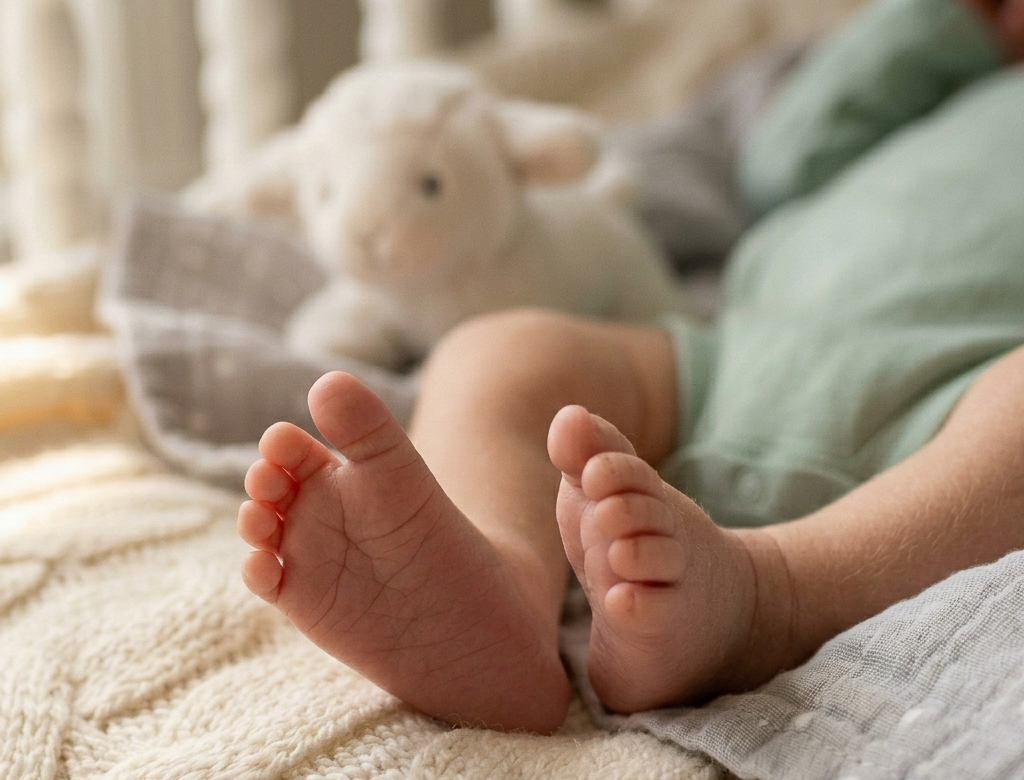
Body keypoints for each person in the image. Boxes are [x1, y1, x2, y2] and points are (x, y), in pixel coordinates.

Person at [237, 0, 1024, 733]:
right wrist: (951, 24)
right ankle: (496, 586)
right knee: (499, 350)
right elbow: (787, 161)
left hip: (962, 402)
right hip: (727, 362)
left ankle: (766, 594)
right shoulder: (969, 86)